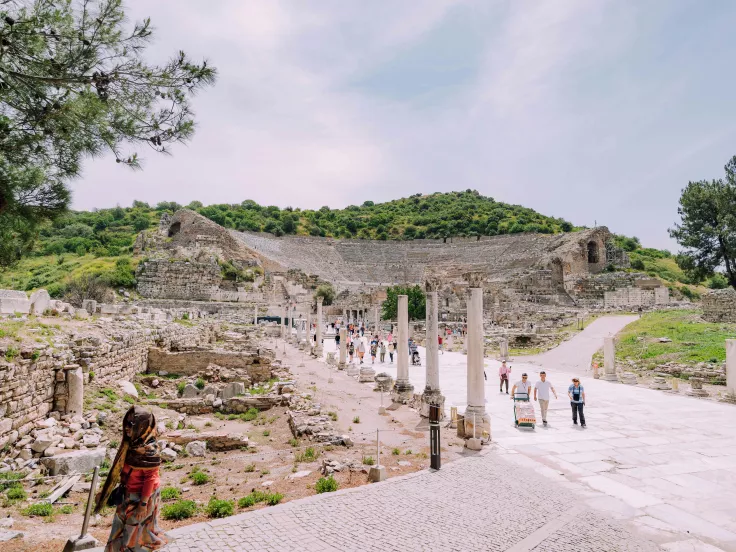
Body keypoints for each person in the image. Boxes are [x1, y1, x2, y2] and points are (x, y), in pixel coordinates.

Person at [95, 406, 166, 551]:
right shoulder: (131, 444)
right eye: (126, 423)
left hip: (142, 498)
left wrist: (143, 505)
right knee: (119, 530)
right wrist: (106, 493)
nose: (127, 428)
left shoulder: (150, 450)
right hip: (127, 494)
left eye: (131, 425)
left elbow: (150, 478)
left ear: (142, 426)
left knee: (135, 536)